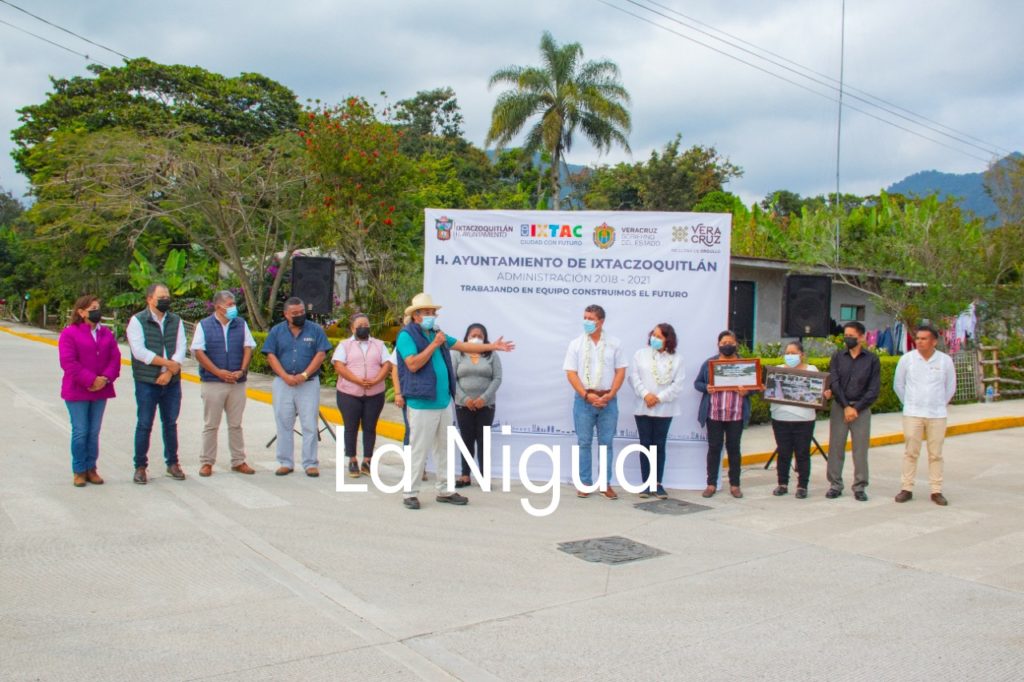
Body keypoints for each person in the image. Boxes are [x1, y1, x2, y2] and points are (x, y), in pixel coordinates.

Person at [395, 293, 514, 510]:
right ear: (416, 315)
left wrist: (492, 347)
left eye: (433, 312)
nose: (432, 316)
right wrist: (434, 345)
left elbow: (464, 346)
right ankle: (410, 493)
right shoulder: (406, 336)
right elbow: (412, 364)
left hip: (442, 402)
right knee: (419, 449)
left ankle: (445, 490)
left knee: (445, 448)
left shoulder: (436, 334)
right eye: (428, 313)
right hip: (422, 403)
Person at [262, 297, 333, 477]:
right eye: (295, 313)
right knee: (284, 422)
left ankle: (310, 463)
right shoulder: (277, 331)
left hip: (308, 384)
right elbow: (270, 355)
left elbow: (321, 354)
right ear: (286, 314)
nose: (300, 315)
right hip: (283, 383)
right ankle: (285, 462)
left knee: (309, 423)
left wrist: (304, 375)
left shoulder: (315, 329)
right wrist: (285, 376)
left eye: (302, 312)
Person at [564, 304, 628, 500]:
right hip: (584, 400)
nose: (587, 322)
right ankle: (584, 483)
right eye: (585, 317)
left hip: (608, 399)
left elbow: (621, 370)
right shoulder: (576, 344)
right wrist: (586, 395)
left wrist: (612, 393)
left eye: (590, 318)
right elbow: (571, 372)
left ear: (601, 322)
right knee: (584, 442)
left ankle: (605, 484)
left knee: (606, 443)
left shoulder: (615, 344)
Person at [190, 290, 257, 476]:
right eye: (229, 304)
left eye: (233, 304)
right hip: (213, 382)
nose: (233, 307)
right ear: (218, 306)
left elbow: (248, 347)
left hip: (237, 382)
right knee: (211, 424)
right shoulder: (204, 325)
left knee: (236, 424)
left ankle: (238, 461)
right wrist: (218, 372)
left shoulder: (241, 324)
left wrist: (242, 371)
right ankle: (207, 462)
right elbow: (198, 352)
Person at [58, 295, 122, 487]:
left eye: (98, 307)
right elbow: (68, 362)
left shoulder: (106, 334)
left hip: (100, 390)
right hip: (78, 390)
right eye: (93, 308)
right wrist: (90, 379)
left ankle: (91, 468)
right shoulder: (70, 333)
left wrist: (105, 379)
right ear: (81, 312)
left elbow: (115, 358)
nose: (97, 311)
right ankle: (79, 470)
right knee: (81, 431)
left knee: (93, 432)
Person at [127, 283, 187, 485]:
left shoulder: (175, 320)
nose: (165, 300)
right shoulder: (137, 321)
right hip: (147, 381)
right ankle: (140, 466)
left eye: (167, 296)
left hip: (171, 382)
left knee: (170, 423)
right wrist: (166, 364)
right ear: (149, 299)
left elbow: (181, 348)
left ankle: (173, 463)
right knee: (144, 423)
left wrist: (170, 372)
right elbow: (139, 352)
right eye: (161, 297)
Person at [893, 324, 957, 506]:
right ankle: (906, 488)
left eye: (924, 338)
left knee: (935, 454)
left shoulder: (945, 361)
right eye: (918, 338)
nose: (919, 342)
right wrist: (911, 403)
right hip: (913, 413)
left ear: (934, 341)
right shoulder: (907, 359)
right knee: (910, 452)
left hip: (937, 414)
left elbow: (950, 387)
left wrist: (937, 403)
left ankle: (936, 490)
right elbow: (898, 385)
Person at [824, 321, 881, 501]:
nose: (847, 339)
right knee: (836, 447)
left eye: (851, 336)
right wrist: (846, 406)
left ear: (862, 337)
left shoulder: (872, 360)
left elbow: (873, 389)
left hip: (861, 410)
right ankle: (835, 484)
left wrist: (855, 408)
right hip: (840, 407)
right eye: (846, 336)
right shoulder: (837, 356)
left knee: (860, 450)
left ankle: (860, 486)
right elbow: (834, 382)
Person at [628, 323, 685, 499]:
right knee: (645, 444)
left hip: (665, 408)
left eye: (659, 337)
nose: (655, 339)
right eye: (653, 335)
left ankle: (657, 484)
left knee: (659, 445)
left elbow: (678, 384)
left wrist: (659, 398)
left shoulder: (677, 359)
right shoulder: (640, 354)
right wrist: (646, 395)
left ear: (668, 339)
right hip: (643, 406)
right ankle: (646, 483)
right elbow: (634, 377)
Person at [332, 313, 391, 478]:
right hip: (349, 393)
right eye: (359, 325)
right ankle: (352, 460)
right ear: (352, 328)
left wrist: (377, 379)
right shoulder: (345, 345)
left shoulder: (379, 345)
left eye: (366, 324)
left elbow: (387, 364)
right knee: (351, 427)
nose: (363, 327)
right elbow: (339, 366)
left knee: (370, 427)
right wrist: (358, 380)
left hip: (375, 393)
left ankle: (367, 461)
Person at [694, 331, 752, 499]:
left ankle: (735, 485)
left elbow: (754, 387)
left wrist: (747, 391)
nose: (727, 345)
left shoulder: (744, 364)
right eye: (724, 342)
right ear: (718, 345)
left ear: (736, 344)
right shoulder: (710, 363)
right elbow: (697, 383)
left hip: (736, 414)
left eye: (730, 342)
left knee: (734, 449)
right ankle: (711, 484)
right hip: (715, 413)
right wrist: (707, 388)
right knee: (714, 449)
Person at [452, 323, 503, 487]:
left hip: (486, 406)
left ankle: (484, 477)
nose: (476, 338)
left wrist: (484, 398)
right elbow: (452, 379)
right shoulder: (457, 354)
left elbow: (497, 378)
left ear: (485, 338)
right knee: (466, 439)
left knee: (483, 441)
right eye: (473, 335)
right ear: (466, 337)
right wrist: (465, 398)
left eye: (480, 336)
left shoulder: (492, 355)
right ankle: (465, 475)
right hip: (463, 405)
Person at [769, 341, 819, 499]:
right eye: (787, 353)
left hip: (804, 420)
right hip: (780, 418)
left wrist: (824, 394)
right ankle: (782, 484)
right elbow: (771, 391)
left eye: (793, 353)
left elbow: (817, 392)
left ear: (802, 355)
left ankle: (802, 485)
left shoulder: (812, 370)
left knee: (802, 453)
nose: (790, 356)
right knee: (783, 453)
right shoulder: (777, 371)